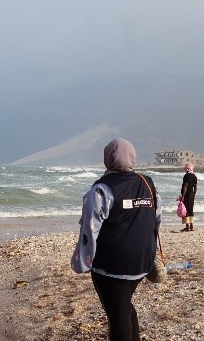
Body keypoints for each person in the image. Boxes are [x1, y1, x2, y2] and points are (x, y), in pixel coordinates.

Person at [71, 139, 162, 341]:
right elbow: (156, 221)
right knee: (124, 307)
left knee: (118, 315)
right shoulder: (148, 184)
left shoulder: (101, 190)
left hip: (112, 265)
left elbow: (90, 229)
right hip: (142, 261)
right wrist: (152, 251)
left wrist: (82, 263)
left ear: (108, 159)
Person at [180, 163, 197, 232]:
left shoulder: (186, 176)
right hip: (192, 195)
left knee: (186, 210)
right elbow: (195, 187)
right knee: (191, 210)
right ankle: (192, 226)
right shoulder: (194, 176)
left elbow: (185, 186)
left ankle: (187, 227)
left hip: (187, 195)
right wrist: (194, 195)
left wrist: (183, 196)